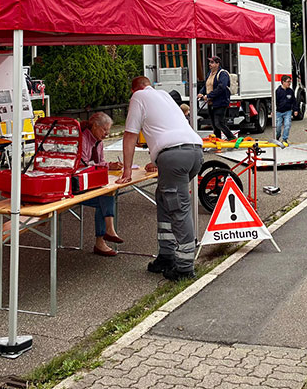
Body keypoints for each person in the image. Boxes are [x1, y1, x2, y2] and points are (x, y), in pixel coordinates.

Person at [121, 76, 203, 281]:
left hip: (174, 156)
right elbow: (166, 127)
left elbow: (130, 135)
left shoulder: (138, 97)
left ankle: (184, 267)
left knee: (178, 208)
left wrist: (127, 171)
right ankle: (166, 255)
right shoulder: (164, 95)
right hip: (194, 152)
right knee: (164, 199)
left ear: (134, 90)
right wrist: (158, 161)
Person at [78, 112, 124, 257]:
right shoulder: (82, 138)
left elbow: (100, 163)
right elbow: (83, 165)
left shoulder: (99, 141)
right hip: (77, 184)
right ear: (95, 126)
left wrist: (110, 165)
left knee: (106, 195)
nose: (107, 133)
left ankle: (103, 238)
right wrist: (107, 166)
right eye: (105, 129)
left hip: (89, 183)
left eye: (108, 130)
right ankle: (105, 235)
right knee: (106, 195)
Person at [199, 55, 235, 140]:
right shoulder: (209, 73)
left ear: (217, 64)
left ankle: (231, 137)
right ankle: (218, 140)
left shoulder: (223, 74)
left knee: (219, 123)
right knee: (214, 125)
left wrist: (209, 96)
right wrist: (201, 93)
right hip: (211, 103)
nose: (209, 64)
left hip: (221, 102)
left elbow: (221, 87)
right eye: (209, 62)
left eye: (212, 62)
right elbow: (206, 85)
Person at [274, 75, 297, 147]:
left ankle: (284, 139)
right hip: (279, 112)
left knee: (287, 125)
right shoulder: (278, 91)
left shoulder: (291, 91)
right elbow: (274, 102)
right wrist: (272, 110)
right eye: (288, 82)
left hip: (287, 111)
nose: (289, 83)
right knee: (278, 126)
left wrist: (295, 110)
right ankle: (277, 136)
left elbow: (294, 101)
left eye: (290, 82)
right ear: (283, 82)